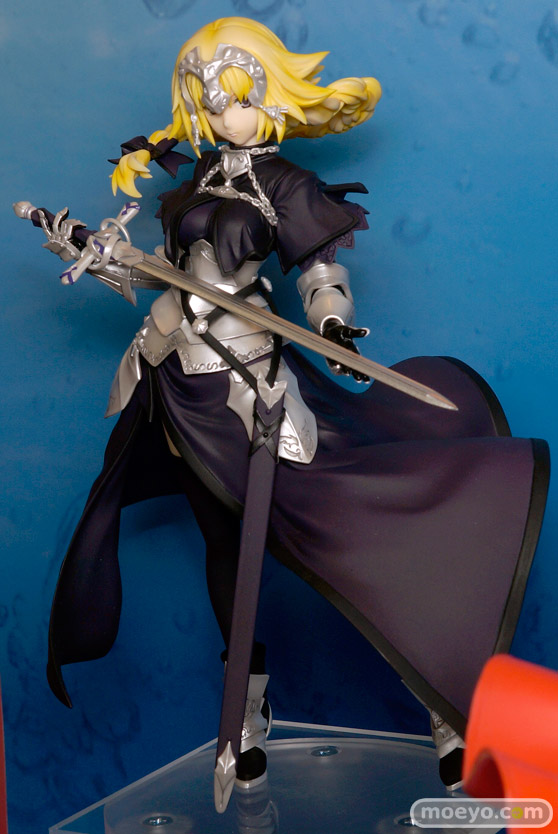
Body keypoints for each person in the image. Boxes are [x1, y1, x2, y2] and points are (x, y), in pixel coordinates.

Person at [38, 15, 548, 806]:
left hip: (252, 389)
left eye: (237, 98)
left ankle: (443, 699)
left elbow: (317, 271)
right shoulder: (193, 182)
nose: (223, 114)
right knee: (220, 542)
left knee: (346, 537)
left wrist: (333, 323)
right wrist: (97, 257)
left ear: (270, 97)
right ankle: (247, 711)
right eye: (209, 101)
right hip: (179, 383)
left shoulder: (284, 185)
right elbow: (162, 273)